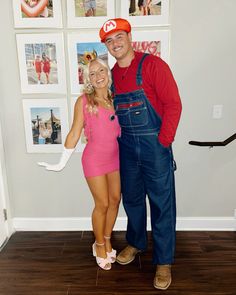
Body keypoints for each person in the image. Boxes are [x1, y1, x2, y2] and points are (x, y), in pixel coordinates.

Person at [99, 18, 182, 289]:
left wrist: (163, 142)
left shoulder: (154, 66)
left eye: (118, 37)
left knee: (162, 205)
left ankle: (164, 261)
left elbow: (173, 105)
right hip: (126, 148)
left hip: (154, 147)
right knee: (132, 200)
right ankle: (136, 243)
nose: (115, 43)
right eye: (109, 41)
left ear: (129, 37)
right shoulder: (112, 75)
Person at [38, 58, 121, 271]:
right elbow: (75, 132)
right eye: (92, 73)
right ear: (88, 79)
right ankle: (99, 245)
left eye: (101, 70)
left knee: (114, 200)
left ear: (108, 73)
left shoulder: (116, 99)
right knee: (101, 204)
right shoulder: (84, 101)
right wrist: (61, 162)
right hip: (93, 160)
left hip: (116, 158)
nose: (98, 76)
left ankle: (107, 238)